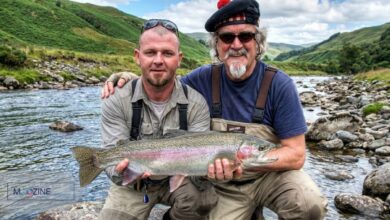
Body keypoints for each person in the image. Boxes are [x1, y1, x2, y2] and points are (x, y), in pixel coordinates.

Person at [102, 0, 328, 219]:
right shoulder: (201, 79)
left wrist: (246, 162)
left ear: (258, 42)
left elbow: (297, 155)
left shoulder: (280, 84)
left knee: (309, 204)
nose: (236, 45)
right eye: (227, 37)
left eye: (246, 36)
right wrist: (129, 79)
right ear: (217, 45)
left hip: (270, 177)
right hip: (226, 186)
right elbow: (164, 81)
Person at [98, 19, 218, 220]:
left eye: (168, 53)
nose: (158, 60)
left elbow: (200, 162)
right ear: (138, 57)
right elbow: (110, 154)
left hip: (178, 182)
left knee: (206, 201)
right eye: (150, 52)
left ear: (179, 59)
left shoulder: (196, 103)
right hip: (134, 186)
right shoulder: (117, 99)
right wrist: (121, 172)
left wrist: (211, 169)